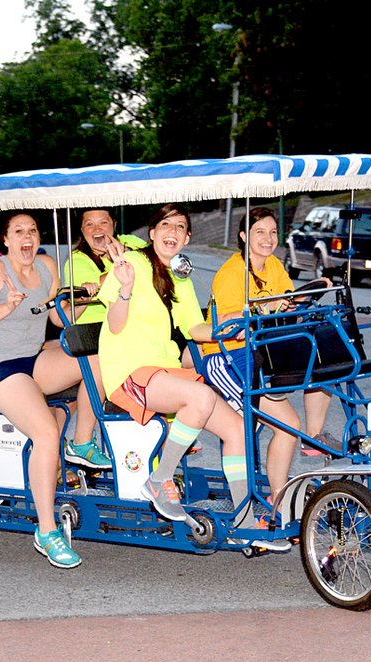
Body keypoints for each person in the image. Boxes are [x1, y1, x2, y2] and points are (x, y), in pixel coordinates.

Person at [96, 203, 289, 551]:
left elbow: (194, 328)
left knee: (237, 430)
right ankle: (160, 479)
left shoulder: (179, 276)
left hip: (166, 369)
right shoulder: (131, 265)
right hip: (129, 371)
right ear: (152, 232)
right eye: (165, 225)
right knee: (200, 397)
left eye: (180, 227)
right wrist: (124, 288)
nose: (172, 233)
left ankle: (244, 521)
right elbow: (115, 324)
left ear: (187, 237)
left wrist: (230, 325)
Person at [0, 211, 108, 569]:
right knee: (45, 432)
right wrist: (5, 307)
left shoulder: (46, 266)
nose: (28, 237)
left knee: (99, 361)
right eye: (19, 231)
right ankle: (47, 530)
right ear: (5, 240)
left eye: (33, 231)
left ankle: (82, 442)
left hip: (32, 359)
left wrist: (85, 297)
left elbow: (56, 317)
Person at [201, 208, 340, 499]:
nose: (268, 239)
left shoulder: (274, 265)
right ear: (244, 236)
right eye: (259, 232)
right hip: (229, 356)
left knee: (325, 358)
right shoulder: (231, 274)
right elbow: (226, 322)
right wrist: (261, 311)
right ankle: (277, 496)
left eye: (273, 232)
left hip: (266, 350)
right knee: (288, 425)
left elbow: (287, 304)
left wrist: (304, 297)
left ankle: (313, 438)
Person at [62, 207, 147, 324]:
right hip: (96, 328)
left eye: (103, 222)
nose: (97, 229)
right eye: (89, 224)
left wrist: (127, 252)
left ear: (114, 224)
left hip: (138, 320)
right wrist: (125, 262)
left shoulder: (130, 241)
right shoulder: (76, 260)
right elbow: (96, 286)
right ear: (82, 230)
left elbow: (156, 261)